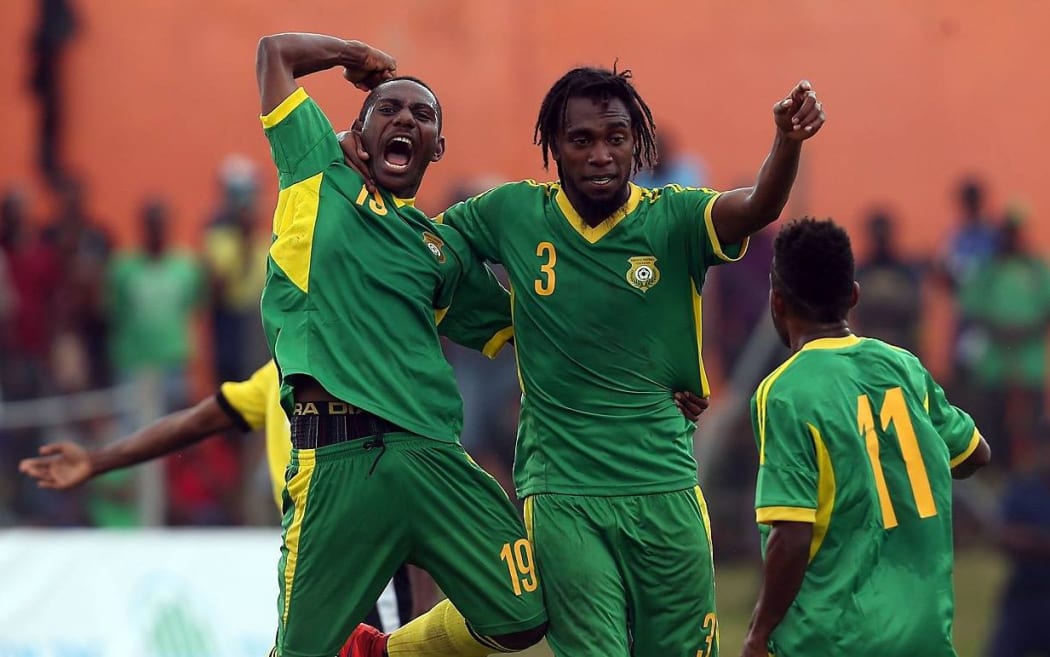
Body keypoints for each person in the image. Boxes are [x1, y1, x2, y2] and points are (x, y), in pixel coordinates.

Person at [346, 66, 825, 657]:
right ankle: (383, 650)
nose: (601, 154)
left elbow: (756, 207)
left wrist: (786, 142)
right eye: (582, 140)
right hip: (564, 492)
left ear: (636, 144)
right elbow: (422, 250)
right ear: (554, 147)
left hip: (666, 486)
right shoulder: (515, 213)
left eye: (616, 138)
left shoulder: (672, 219)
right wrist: (495, 319)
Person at [254, 32, 547, 657]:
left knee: (523, 615)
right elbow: (274, 53)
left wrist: (658, 372)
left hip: (433, 457)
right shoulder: (314, 170)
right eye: (388, 109)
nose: (405, 118)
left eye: (423, 114)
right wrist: (355, 57)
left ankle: (382, 652)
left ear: (438, 147)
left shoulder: (440, 249)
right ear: (356, 135)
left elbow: (537, 329)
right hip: (335, 459)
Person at [740, 218, 991, 657]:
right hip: (926, 635)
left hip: (834, 639)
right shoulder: (903, 366)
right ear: (854, 295)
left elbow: (793, 533)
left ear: (777, 303)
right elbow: (975, 455)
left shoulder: (784, 391)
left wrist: (759, 630)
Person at [18, 360, 414, 631]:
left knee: (382, 650)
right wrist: (97, 460)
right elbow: (194, 422)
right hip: (304, 557)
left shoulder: (355, 367)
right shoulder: (275, 376)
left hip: (360, 552)